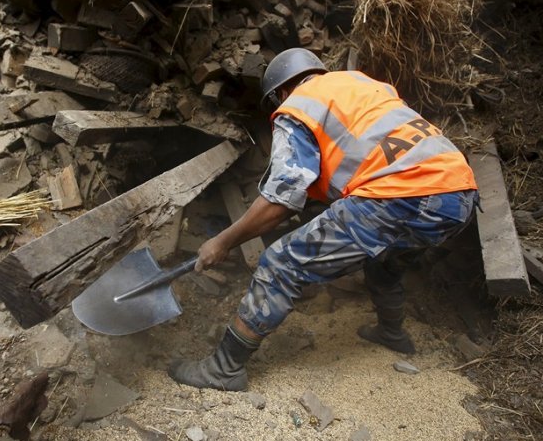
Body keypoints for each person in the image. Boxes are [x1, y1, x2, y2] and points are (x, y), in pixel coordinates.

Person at [168, 48, 479, 392]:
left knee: (280, 264)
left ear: (280, 93)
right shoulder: (361, 86)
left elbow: (281, 199)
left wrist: (222, 241)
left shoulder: (299, 105)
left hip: (399, 193)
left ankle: (223, 369)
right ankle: (392, 332)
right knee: (385, 260)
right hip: (458, 194)